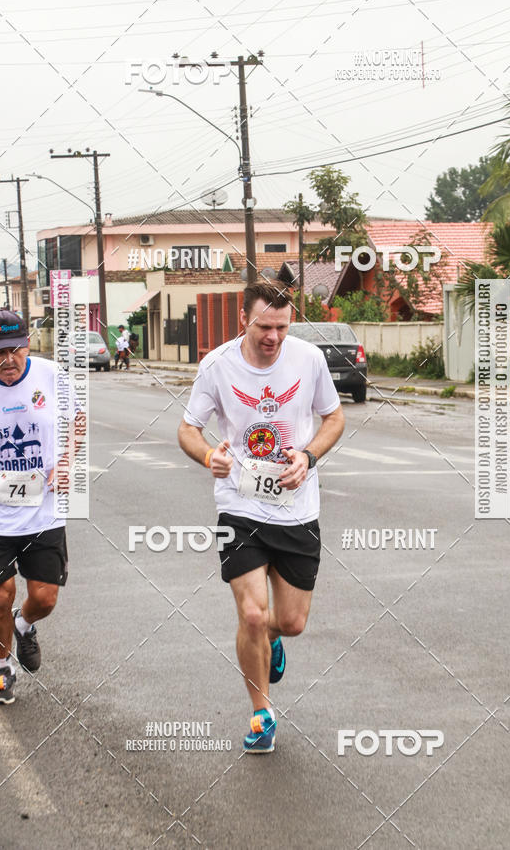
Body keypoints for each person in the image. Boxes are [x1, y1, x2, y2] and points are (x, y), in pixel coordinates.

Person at [178, 282, 344, 753]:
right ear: (243, 322)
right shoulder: (218, 366)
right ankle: (261, 713)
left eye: (281, 327)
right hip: (240, 505)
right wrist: (208, 453)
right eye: (264, 327)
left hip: (297, 510)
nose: (273, 336)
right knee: (252, 613)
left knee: (289, 623)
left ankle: (272, 638)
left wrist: (308, 458)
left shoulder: (308, 360)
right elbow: (187, 429)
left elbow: (333, 418)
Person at [0, 310, 78, 704]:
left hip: (44, 510)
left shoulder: (51, 375)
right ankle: (1, 668)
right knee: (0, 594)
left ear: (27, 344)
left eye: (15, 349)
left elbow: (78, 419)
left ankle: (24, 625)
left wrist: (69, 458)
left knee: (44, 598)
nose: (8, 360)